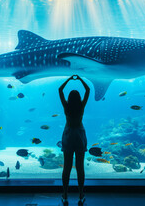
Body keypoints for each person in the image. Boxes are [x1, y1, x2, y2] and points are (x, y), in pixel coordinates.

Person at [59, 75, 90, 206]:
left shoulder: (66, 107)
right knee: (80, 167)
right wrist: (81, 79)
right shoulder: (81, 106)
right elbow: (88, 90)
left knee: (66, 167)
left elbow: (60, 90)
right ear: (78, 99)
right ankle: (81, 194)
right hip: (79, 135)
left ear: (69, 99)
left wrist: (69, 79)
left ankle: (65, 195)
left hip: (68, 134)